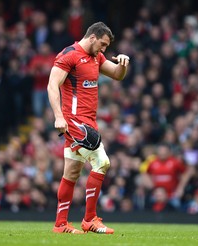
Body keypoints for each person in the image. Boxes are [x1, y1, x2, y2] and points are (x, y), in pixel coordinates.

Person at [47, 22, 130, 234]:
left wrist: (123, 63)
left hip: (89, 121)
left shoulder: (96, 57)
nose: (104, 49)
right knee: (102, 162)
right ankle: (90, 219)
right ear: (92, 37)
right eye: (102, 44)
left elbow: (118, 75)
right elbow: (52, 84)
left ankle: (60, 224)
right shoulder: (70, 55)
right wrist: (58, 117)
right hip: (74, 121)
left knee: (72, 172)